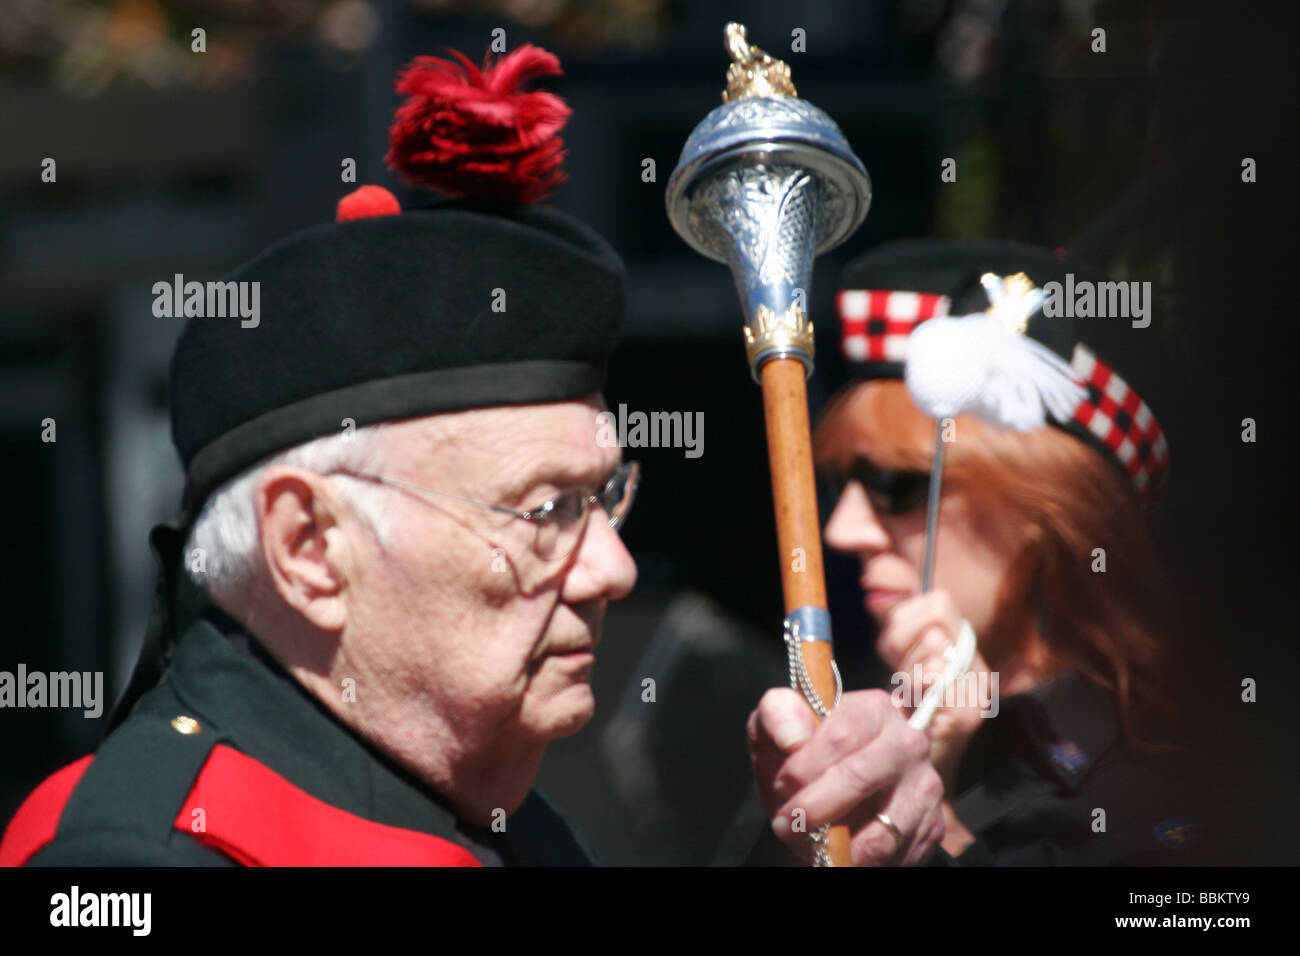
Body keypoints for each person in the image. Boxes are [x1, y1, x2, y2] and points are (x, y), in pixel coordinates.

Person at [0, 45, 942, 867]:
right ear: (309, 549)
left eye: (605, 497)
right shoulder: (138, 859)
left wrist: (837, 849)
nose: (613, 570)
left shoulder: (500, 821)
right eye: (544, 511)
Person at [813, 239, 1206, 865]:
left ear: (1044, 510)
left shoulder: (1193, 798)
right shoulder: (837, 735)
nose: (844, 529)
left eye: (899, 484)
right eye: (843, 483)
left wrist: (928, 827)